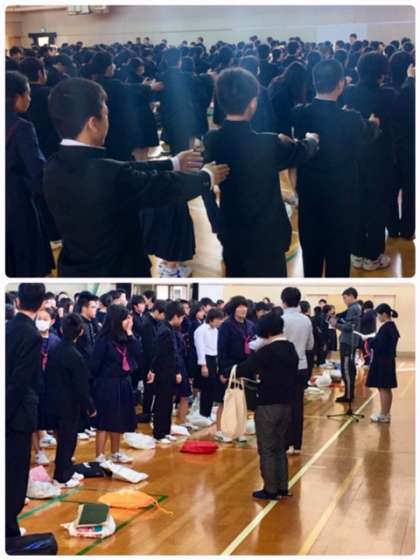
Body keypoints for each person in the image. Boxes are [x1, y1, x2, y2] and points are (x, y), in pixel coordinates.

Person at [44, 77, 229, 277]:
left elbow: (127, 169)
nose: (108, 120)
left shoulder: (52, 166)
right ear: (93, 124)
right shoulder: (109, 174)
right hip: (118, 269)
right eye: (105, 114)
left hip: (74, 267)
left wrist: (173, 163)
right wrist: (206, 177)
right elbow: (163, 187)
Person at [204, 67, 319, 277]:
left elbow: (204, 184)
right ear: (253, 103)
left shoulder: (212, 140)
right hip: (268, 234)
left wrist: (216, 221)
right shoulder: (268, 142)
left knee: (236, 278)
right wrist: (312, 140)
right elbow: (300, 151)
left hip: (231, 229)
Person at [292, 59, 381, 277]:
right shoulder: (351, 118)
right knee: (339, 259)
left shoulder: (299, 113)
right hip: (342, 197)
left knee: (311, 257)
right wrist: (374, 123)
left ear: (314, 82)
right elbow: (368, 134)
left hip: (310, 194)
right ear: (341, 84)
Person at [343, 52, 397, 271]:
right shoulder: (389, 94)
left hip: (353, 157)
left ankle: (356, 253)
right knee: (377, 206)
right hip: (380, 159)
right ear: (382, 73)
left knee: (355, 203)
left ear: (359, 68)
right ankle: (373, 256)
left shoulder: (349, 91)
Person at [236, 311, 299, 500]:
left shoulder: (267, 351)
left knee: (267, 448)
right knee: (280, 447)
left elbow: (244, 368)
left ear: (266, 331)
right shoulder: (291, 348)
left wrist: (227, 372)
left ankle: (270, 489)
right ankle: (282, 486)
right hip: (287, 404)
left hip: (267, 404)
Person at [6, 283, 45, 538]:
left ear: (18, 301)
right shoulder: (32, 335)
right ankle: (9, 530)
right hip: (15, 413)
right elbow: (20, 382)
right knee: (15, 476)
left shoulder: (7, 328)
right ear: (41, 304)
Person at [6, 71, 54, 277]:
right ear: (16, 97)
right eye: (27, 93)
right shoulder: (22, 128)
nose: (30, 98)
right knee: (26, 258)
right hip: (16, 200)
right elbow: (36, 169)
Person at [47, 313, 96, 486]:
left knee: (63, 439)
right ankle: (62, 476)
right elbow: (81, 386)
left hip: (53, 399)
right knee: (68, 440)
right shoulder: (76, 356)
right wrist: (90, 406)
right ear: (81, 332)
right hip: (69, 403)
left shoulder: (54, 349)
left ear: (61, 329)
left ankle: (66, 469)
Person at [91, 305, 143, 462]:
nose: (129, 321)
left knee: (119, 419)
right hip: (106, 383)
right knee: (104, 420)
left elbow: (138, 352)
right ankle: (99, 456)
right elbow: (94, 365)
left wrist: (130, 332)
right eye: (126, 318)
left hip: (123, 382)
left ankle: (115, 453)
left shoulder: (126, 337)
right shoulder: (103, 340)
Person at [218, 296, 256, 442]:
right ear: (234, 309)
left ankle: (240, 430)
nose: (243, 309)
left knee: (243, 400)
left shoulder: (250, 325)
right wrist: (223, 371)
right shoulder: (226, 326)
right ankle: (225, 430)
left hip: (248, 365)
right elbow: (222, 349)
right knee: (229, 399)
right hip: (231, 366)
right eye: (240, 306)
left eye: (245, 306)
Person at [281, 287, 314, 455]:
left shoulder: (281, 319)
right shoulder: (306, 320)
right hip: (301, 366)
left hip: (283, 368)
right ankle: (297, 445)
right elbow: (310, 345)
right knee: (298, 406)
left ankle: (286, 443)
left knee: (284, 405)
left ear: (283, 302)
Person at [148, 302, 186, 444]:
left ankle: (165, 431)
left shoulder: (169, 329)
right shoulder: (164, 331)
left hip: (169, 371)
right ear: (175, 316)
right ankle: (159, 434)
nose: (181, 321)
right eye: (181, 318)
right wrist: (176, 371)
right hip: (164, 372)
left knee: (168, 403)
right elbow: (161, 354)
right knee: (162, 403)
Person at [32, 307, 60, 466]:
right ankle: (38, 452)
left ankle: (61, 453)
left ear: (52, 321)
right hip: (34, 384)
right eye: (39, 318)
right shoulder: (30, 338)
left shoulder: (56, 341)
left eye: (45, 319)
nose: (41, 322)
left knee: (54, 420)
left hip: (52, 385)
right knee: (34, 420)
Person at [366, 304, 400, 422]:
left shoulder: (386, 328)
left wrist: (369, 340)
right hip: (387, 361)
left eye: (379, 315)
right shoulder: (391, 326)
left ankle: (383, 414)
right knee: (386, 388)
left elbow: (379, 345)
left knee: (383, 388)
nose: (378, 317)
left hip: (383, 362)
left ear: (384, 314)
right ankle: (386, 413)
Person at [194, 308, 225, 427]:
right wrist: (204, 365)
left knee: (212, 388)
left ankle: (207, 412)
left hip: (214, 359)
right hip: (205, 360)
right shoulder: (200, 330)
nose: (220, 322)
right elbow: (200, 348)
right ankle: (204, 413)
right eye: (218, 319)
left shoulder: (216, 330)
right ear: (211, 319)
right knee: (206, 388)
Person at [137, 300, 167, 423]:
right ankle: (146, 413)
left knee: (152, 388)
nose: (164, 317)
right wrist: (152, 367)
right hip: (148, 362)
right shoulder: (148, 324)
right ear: (157, 312)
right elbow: (149, 347)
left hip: (153, 361)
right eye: (164, 314)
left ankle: (151, 412)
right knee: (149, 389)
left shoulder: (156, 322)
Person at [330, 287, 361, 403]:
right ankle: (349, 394)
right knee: (349, 369)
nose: (344, 300)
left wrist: (335, 324)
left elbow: (349, 327)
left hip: (348, 342)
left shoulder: (353, 308)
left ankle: (348, 396)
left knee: (347, 369)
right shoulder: (356, 307)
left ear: (351, 296)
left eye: (345, 298)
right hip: (350, 342)